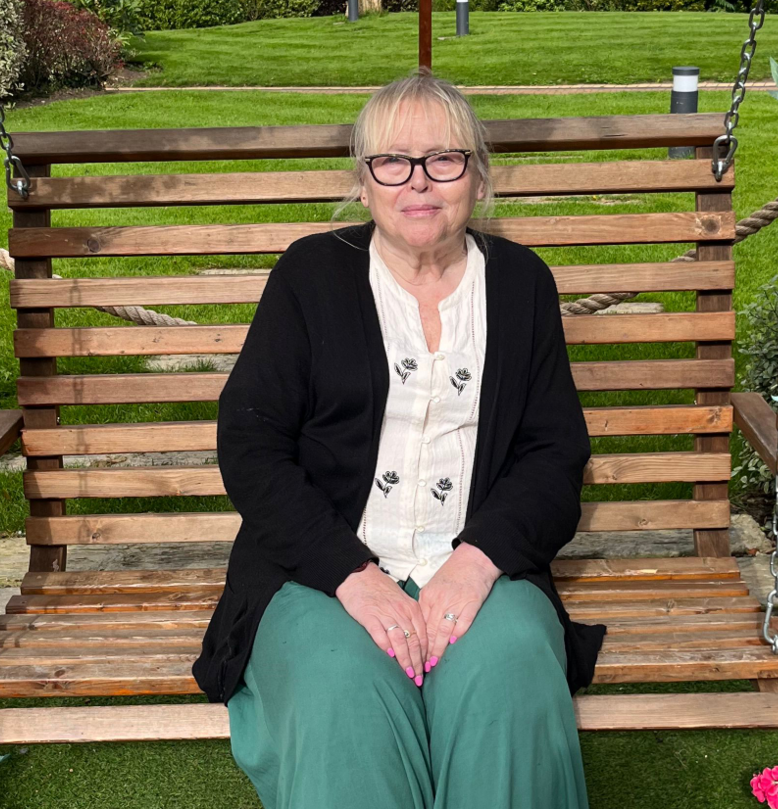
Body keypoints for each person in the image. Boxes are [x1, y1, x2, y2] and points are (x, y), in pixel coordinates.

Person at [190, 68, 606, 809]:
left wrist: (476, 564)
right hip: (318, 570)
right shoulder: (310, 275)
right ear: (365, 177)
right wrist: (350, 572)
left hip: (482, 564)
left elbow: (553, 455)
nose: (419, 182)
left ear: (476, 174)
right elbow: (252, 447)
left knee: (509, 677)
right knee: (340, 692)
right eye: (393, 161)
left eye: (443, 159)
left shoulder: (520, 284)